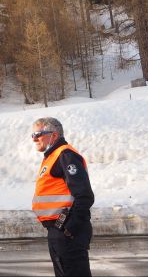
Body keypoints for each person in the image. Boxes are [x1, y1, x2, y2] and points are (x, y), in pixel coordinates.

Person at [31, 117, 94, 277]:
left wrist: (69, 227)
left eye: (38, 134)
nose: (34, 139)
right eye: (32, 135)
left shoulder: (65, 155)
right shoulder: (51, 157)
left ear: (54, 135)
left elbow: (84, 195)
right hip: (57, 230)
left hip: (68, 232)